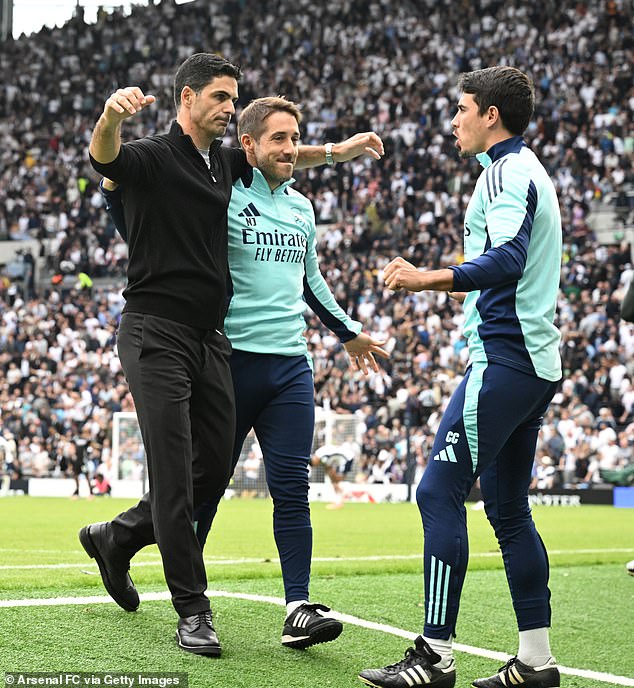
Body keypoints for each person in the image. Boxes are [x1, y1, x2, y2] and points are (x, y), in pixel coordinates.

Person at [79, 52, 384, 658]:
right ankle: (193, 610)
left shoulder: (223, 164)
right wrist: (111, 117)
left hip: (210, 338)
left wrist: (339, 153)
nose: (228, 108)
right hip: (153, 331)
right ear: (186, 99)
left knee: (211, 472)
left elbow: (278, 153)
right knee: (174, 471)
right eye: (220, 97)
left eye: (232, 98)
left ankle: (116, 537)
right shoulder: (152, 155)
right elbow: (104, 158)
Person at [359, 66, 562, 688]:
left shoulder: (508, 171)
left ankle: (434, 656)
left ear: (490, 115)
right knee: (507, 510)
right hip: (528, 363)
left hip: (505, 361)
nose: (453, 120)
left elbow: (507, 259)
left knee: (435, 492)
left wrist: (427, 277)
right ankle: (536, 663)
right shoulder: (517, 172)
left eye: (461, 108)